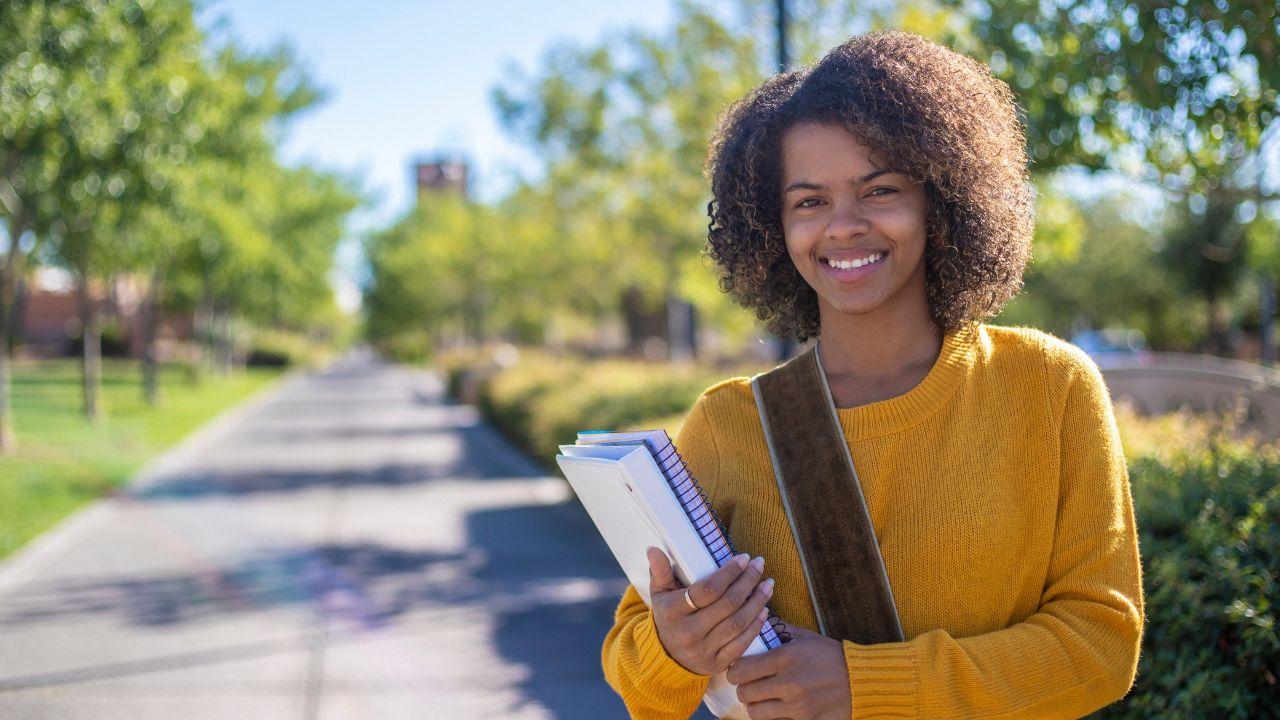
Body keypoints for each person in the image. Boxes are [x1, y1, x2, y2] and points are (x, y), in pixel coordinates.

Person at [600, 30, 1145, 720]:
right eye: (808, 201)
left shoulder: (1050, 386)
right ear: (771, 227)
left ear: (940, 201)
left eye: (879, 190)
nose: (844, 226)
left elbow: (1101, 645)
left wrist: (865, 685)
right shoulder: (728, 423)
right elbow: (632, 665)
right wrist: (675, 650)